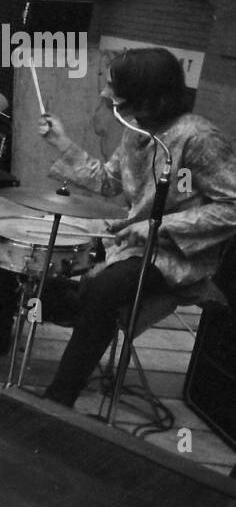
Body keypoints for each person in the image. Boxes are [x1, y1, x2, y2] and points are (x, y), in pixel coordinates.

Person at [38, 48, 236, 406]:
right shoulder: (136, 131)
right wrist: (61, 142)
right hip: (130, 242)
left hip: (176, 254)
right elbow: (108, 181)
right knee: (38, 252)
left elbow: (232, 207)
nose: (105, 95)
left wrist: (159, 227)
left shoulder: (198, 138)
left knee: (103, 290)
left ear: (149, 95)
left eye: (115, 88)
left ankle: (58, 399)